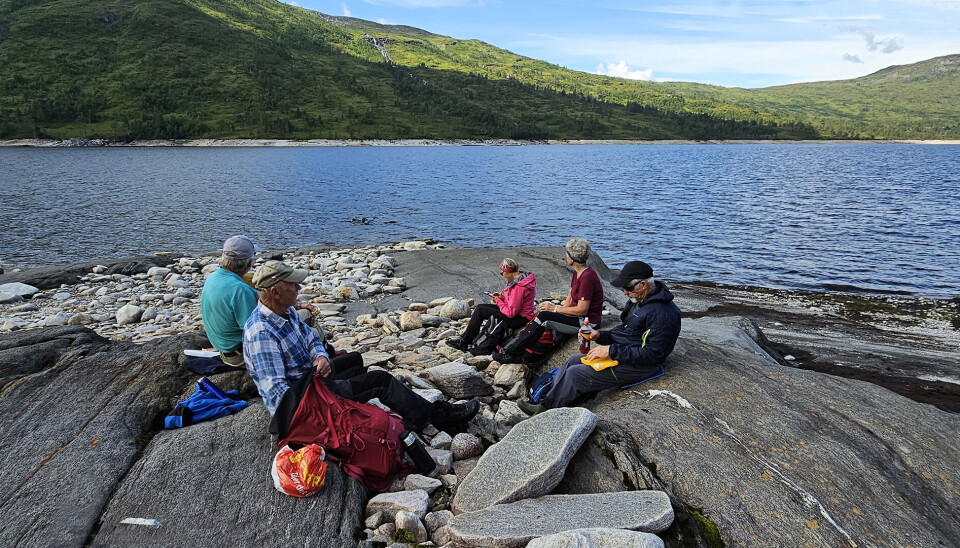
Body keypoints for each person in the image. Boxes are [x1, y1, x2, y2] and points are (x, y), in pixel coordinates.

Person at [243, 260, 480, 435]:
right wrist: (327, 399)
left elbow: (311, 339)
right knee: (380, 380)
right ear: (274, 292)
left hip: (312, 377)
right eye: (293, 284)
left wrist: (320, 357)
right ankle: (437, 416)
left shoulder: (285, 312)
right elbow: (279, 399)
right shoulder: (262, 334)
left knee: (355, 359)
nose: (299, 287)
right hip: (309, 400)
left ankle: (384, 401)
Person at [518, 260, 681, 414]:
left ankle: (544, 411)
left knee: (577, 374)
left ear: (643, 284)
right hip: (626, 354)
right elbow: (626, 331)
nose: (624, 292)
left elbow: (652, 355)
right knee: (573, 360)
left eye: (628, 288)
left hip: (641, 366)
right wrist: (600, 336)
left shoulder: (662, 314)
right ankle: (546, 400)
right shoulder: (639, 300)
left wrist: (611, 351)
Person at [493, 237, 603, 363]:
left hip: (587, 322)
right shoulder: (577, 272)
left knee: (544, 317)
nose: (565, 256)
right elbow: (570, 296)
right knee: (544, 316)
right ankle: (521, 351)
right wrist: (557, 312)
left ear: (572, 258)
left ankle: (509, 352)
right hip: (577, 317)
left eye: (567, 253)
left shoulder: (587, 277)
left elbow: (582, 310)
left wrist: (554, 308)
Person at [447, 258, 537, 351]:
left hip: (520, 318)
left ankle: (464, 341)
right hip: (519, 313)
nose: (503, 276)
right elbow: (516, 302)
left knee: (480, 311)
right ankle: (466, 338)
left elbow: (511, 312)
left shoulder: (519, 287)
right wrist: (502, 298)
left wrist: (498, 301)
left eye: (502, 273)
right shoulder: (522, 279)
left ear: (507, 271)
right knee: (480, 307)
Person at [200, 235, 260, 367]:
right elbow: (255, 333)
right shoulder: (240, 290)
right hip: (238, 357)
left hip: (224, 349)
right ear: (249, 263)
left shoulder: (212, 278)